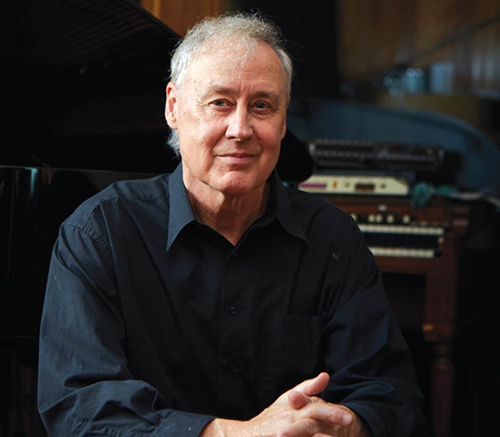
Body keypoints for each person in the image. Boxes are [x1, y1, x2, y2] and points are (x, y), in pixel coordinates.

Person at [38, 12, 426, 437]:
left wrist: (344, 425)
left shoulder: (332, 238)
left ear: (283, 118)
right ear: (173, 107)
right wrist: (237, 434)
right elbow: (79, 408)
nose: (240, 129)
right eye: (219, 102)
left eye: (261, 105)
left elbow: (392, 395)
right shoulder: (99, 233)